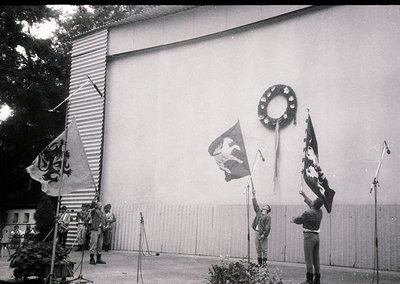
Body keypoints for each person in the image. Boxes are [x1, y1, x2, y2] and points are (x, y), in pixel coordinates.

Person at [291, 188, 323, 284]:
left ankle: (309, 280)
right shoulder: (319, 211)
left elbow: (299, 220)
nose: (311, 201)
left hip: (309, 237)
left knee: (308, 259)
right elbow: (311, 203)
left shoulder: (308, 213)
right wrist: (304, 195)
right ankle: (317, 279)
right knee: (316, 259)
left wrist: (293, 220)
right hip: (316, 236)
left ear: (314, 204)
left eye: (313, 201)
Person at [251, 188, 271, 267]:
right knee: (258, 248)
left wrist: (264, 235)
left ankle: (264, 264)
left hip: (262, 234)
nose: (264, 206)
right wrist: (253, 195)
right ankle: (259, 263)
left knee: (264, 249)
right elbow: (255, 205)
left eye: (266, 206)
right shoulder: (259, 212)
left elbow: (268, 227)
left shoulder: (268, 216)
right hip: (257, 232)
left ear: (268, 209)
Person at [89, 200, 106, 265]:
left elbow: (104, 220)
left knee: (100, 244)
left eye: (101, 205)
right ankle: (92, 258)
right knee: (93, 243)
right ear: (96, 205)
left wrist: (104, 226)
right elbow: (92, 206)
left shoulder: (102, 213)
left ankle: (99, 258)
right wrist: (95, 199)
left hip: (101, 229)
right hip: (95, 229)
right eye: (99, 204)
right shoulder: (94, 212)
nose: (101, 206)